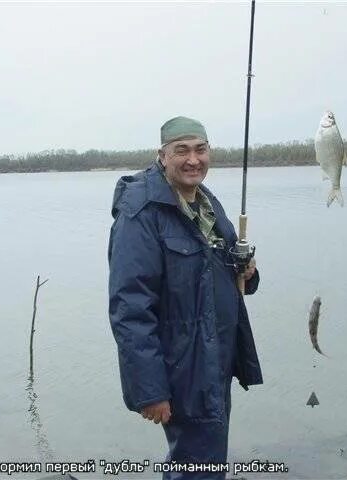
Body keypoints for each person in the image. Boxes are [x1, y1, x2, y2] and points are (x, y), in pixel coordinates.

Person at [107, 116, 263, 478]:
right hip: (183, 367)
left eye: (201, 149)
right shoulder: (141, 213)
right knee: (198, 467)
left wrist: (247, 272)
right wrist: (150, 391)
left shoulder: (206, 202)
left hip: (216, 358)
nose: (194, 159)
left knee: (204, 462)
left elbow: (219, 269)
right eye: (182, 151)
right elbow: (130, 308)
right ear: (162, 155)